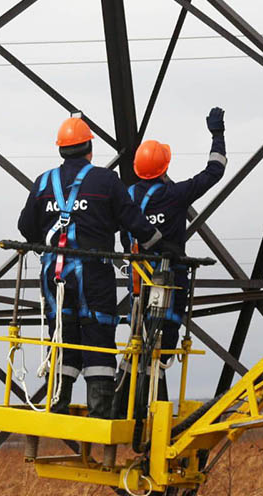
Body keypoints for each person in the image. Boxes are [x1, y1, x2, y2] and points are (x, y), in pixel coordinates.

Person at [18, 113, 164, 418]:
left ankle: (57, 404)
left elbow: (26, 227)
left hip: (53, 274)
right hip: (94, 273)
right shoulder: (106, 181)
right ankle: (100, 412)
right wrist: (157, 244)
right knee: (97, 335)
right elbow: (134, 222)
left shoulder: (43, 182)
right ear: (89, 148)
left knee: (61, 332)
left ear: (60, 150)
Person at [122, 106, 227, 399]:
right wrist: (217, 135)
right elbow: (214, 171)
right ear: (163, 168)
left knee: (138, 339)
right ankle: (156, 384)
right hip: (171, 282)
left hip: (138, 285)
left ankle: (135, 397)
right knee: (164, 344)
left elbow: (122, 237)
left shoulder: (127, 197)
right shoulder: (174, 195)